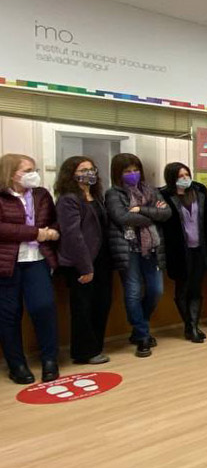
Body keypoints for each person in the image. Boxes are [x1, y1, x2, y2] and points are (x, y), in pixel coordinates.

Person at [0, 154, 59, 383]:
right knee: (9, 315)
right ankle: (17, 365)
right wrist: (35, 233)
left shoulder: (41, 194)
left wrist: (53, 231)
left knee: (44, 308)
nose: (33, 174)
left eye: (34, 169)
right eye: (27, 170)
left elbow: (53, 220)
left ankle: (50, 360)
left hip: (37, 259)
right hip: (8, 264)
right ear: (11, 173)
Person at [105, 153, 171, 357]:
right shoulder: (113, 194)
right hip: (128, 250)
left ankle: (139, 327)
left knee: (156, 290)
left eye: (136, 170)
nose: (133, 174)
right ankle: (142, 335)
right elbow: (122, 217)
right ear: (118, 173)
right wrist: (151, 214)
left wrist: (140, 209)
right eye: (127, 171)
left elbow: (166, 213)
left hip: (151, 248)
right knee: (133, 292)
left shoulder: (151, 190)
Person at [54, 156, 112, 365]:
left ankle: (96, 346)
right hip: (82, 261)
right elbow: (73, 236)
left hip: (102, 258)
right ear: (71, 174)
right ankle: (83, 352)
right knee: (83, 307)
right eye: (83, 169)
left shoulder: (96, 196)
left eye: (91, 169)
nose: (89, 173)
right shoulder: (68, 199)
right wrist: (86, 267)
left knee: (101, 303)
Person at [158, 162, 207, 343]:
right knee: (182, 288)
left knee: (196, 288)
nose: (185, 178)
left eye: (187, 175)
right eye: (180, 176)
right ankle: (190, 326)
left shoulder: (199, 193)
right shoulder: (164, 196)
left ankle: (192, 326)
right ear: (171, 179)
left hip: (200, 249)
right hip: (179, 251)